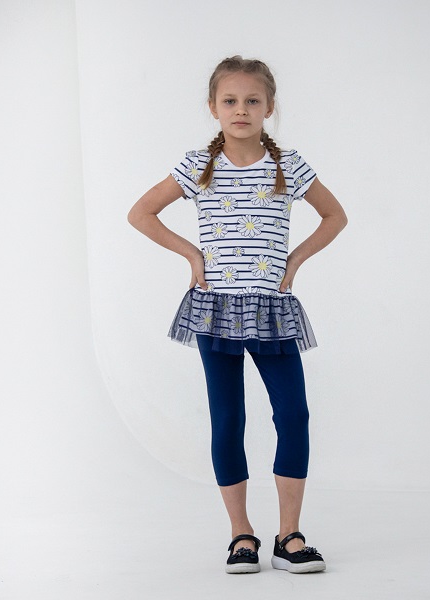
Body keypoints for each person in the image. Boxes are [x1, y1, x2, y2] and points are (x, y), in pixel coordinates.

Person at [127, 55, 348, 575]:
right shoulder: (196, 166)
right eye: (230, 100)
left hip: (271, 310)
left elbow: (335, 215)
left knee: (292, 415)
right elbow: (141, 213)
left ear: (269, 106)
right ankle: (240, 534)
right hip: (216, 311)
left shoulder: (288, 165)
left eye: (252, 100)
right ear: (213, 108)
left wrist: (296, 258)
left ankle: (289, 535)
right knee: (228, 418)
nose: (241, 109)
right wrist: (191, 254)